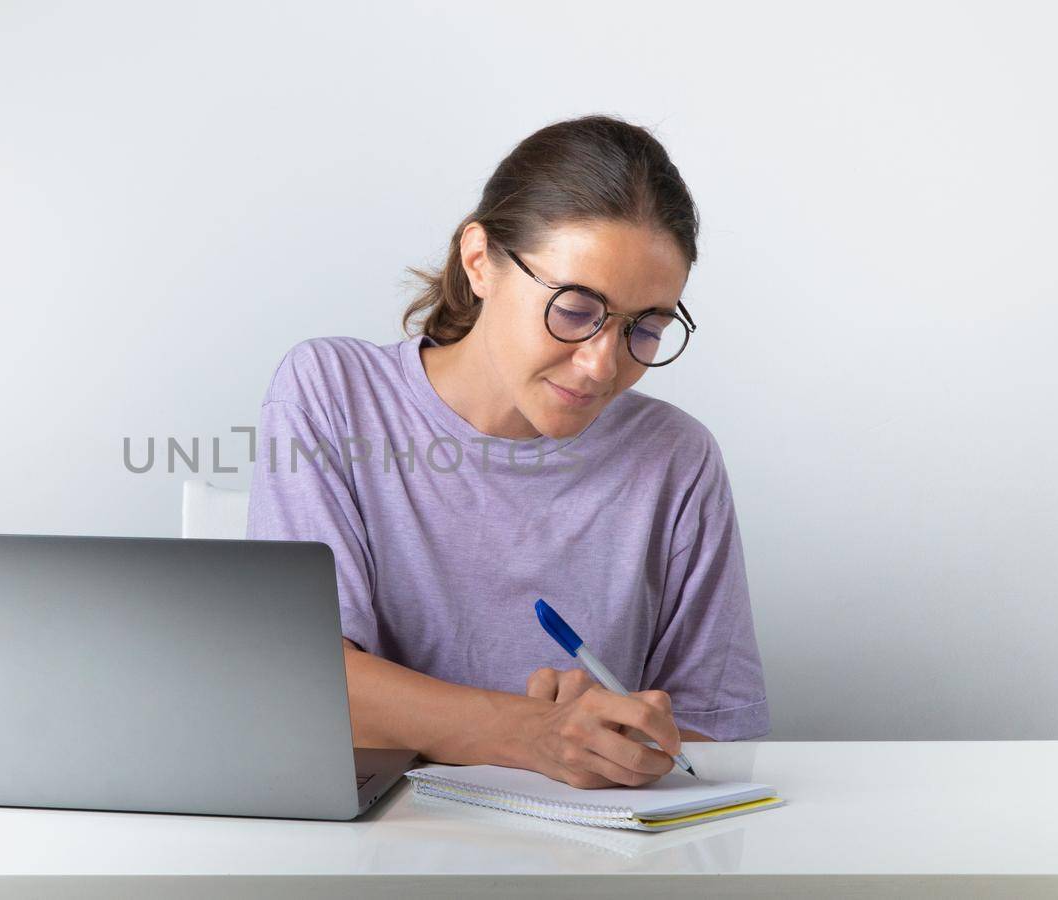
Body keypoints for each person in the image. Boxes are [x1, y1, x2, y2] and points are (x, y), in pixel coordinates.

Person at [246, 114, 769, 790]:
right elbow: (300, 683)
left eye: (647, 328)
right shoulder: (331, 393)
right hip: (375, 847)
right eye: (576, 308)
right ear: (479, 262)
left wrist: (633, 741)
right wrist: (532, 734)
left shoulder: (676, 458)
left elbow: (715, 735)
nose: (600, 365)